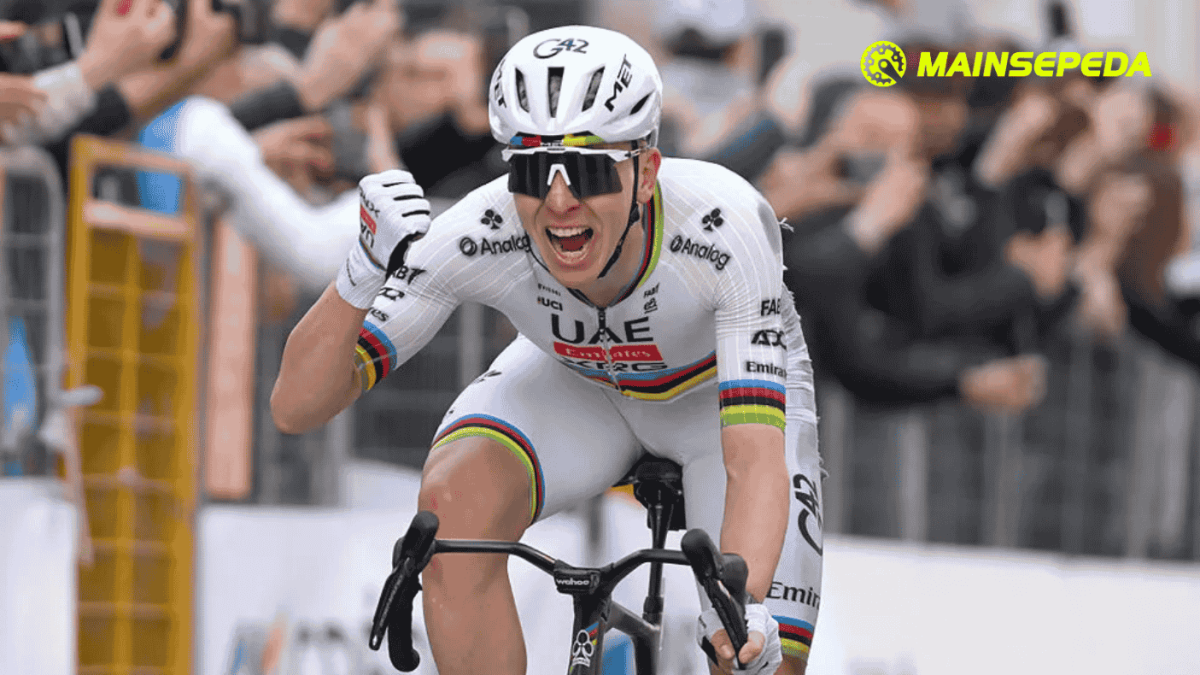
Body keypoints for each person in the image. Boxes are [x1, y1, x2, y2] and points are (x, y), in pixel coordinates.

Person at [271, 24, 822, 675]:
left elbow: (752, 460)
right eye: (532, 172)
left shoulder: (722, 225)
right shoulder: (481, 230)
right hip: (575, 384)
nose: (559, 202)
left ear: (646, 173)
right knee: (451, 511)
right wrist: (358, 276)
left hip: (713, 400)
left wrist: (744, 603)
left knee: (749, 649)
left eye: (589, 171)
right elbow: (295, 407)